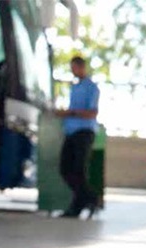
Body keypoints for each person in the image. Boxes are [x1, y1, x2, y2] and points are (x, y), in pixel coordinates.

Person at [55, 56, 100, 218]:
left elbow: (92, 112)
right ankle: (89, 198)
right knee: (65, 169)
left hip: (84, 132)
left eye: (75, 67)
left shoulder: (91, 87)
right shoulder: (74, 87)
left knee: (78, 170)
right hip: (71, 132)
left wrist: (70, 113)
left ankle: (80, 205)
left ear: (82, 67)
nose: (73, 71)